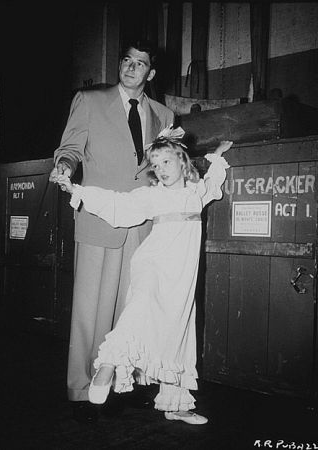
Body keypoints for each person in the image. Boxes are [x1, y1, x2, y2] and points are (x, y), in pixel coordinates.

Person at [57, 125, 233, 425]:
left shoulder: (196, 192)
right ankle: (109, 364)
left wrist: (216, 156)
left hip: (182, 273)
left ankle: (175, 404)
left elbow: (213, 180)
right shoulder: (151, 196)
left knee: (178, 330)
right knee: (140, 309)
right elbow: (118, 203)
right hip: (152, 263)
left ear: (182, 160)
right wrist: (77, 189)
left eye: (166, 162)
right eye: (155, 165)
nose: (160, 170)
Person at [49, 39, 174, 422]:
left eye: (140, 63)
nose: (131, 67)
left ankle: (127, 381)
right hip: (100, 219)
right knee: (92, 311)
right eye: (126, 60)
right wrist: (65, 167)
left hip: (144, 225)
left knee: (134, 309)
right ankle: (82, 386)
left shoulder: (164, 115)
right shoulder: (89, 101)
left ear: (150, 73)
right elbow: (69, 148)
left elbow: (165, 168)